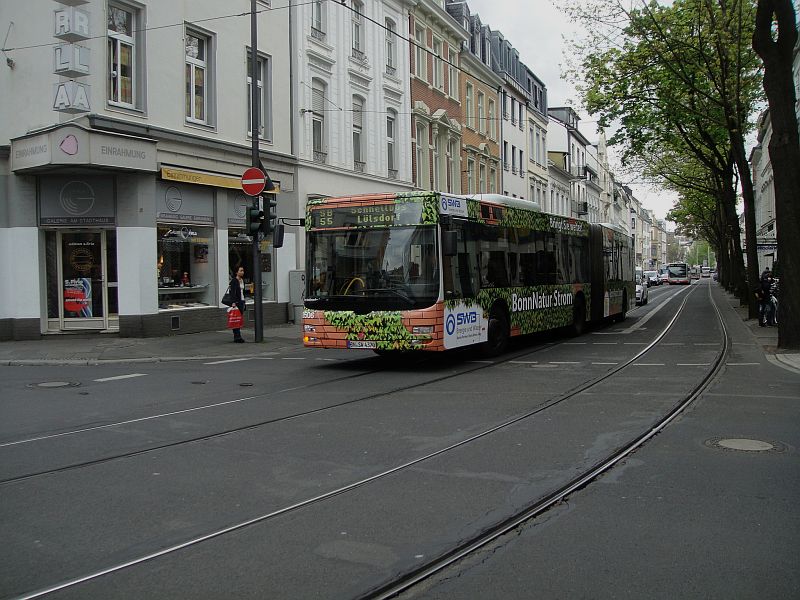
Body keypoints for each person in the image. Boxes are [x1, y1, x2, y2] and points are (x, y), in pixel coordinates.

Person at [230, 266, 246, 342]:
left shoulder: (242, 280)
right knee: (236, 319)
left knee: (239, 320)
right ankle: (237, 337)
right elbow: (232, 292)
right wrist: (233, 302)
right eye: (241, 270)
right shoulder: (234, 281)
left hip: (242, 301)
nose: (242, 272)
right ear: (237, 272)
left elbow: (243, 292)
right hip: (237, 302)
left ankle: (238, 336)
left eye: (243, 270)